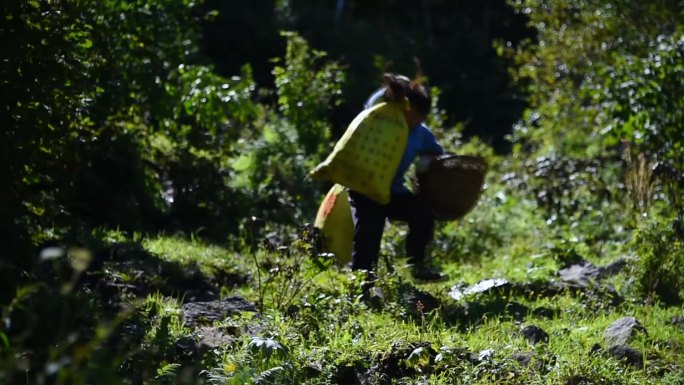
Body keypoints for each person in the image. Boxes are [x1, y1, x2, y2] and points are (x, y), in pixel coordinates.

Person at [348, 73, 447, 281]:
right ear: (408, 108)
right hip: (367, 189)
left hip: (393, 191)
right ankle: (360, 288)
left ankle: (417, 266)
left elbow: (440, 156)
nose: (419, 121)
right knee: (369, 237)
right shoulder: (380, 120)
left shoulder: (420, 133)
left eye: (423, 118)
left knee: (422, 214)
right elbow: (373, 102)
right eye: (418, 115)